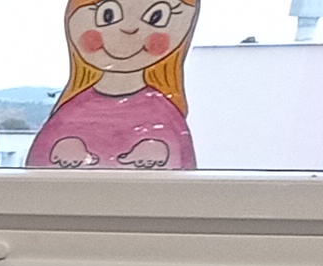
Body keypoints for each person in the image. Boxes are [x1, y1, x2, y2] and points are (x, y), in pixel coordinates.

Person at [31, 0, 199, 169]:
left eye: (156, 17)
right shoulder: (71, 112)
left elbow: (183, 171)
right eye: (108, 15)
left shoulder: (163, 113)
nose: (129, 29)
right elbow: (38, 169)